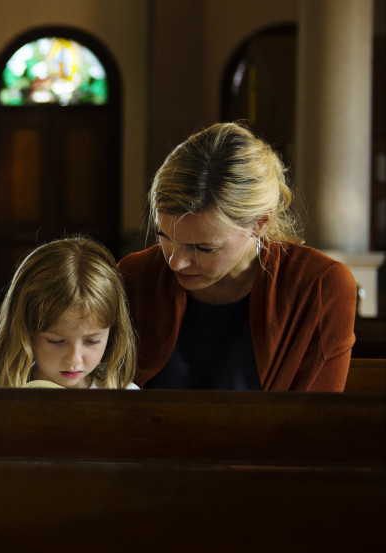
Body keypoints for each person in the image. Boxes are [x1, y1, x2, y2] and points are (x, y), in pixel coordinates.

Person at [118, 122, 356, 391]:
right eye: (165, 237)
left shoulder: (320, 286)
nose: (175, 262)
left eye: (203, 248)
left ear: (259, 224)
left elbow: (315, 422)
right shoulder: (135, 275)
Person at [0, 238, 138, 389]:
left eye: (92, 341)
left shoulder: (126, 395)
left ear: (112, 334)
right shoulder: (4, 396)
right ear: (25, 330)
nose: (74, 360)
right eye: (56, 341)